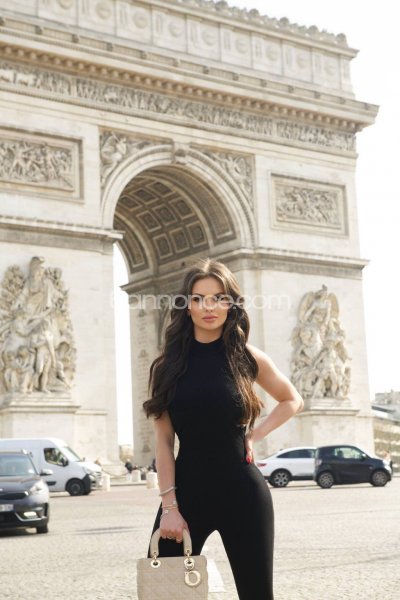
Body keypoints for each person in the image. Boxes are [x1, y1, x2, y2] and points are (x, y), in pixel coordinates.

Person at [142, 258, 304, 600]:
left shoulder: (248, 357)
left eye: (219, 298)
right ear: (187, 306)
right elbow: (164, 442)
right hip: (186, 496)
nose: (209, 307)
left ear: (231, 304)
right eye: (199, 298)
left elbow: (292, 400)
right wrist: (169, 507)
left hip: (244, 494)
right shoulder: (166, 368)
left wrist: (255, 434)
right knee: (166, 594)